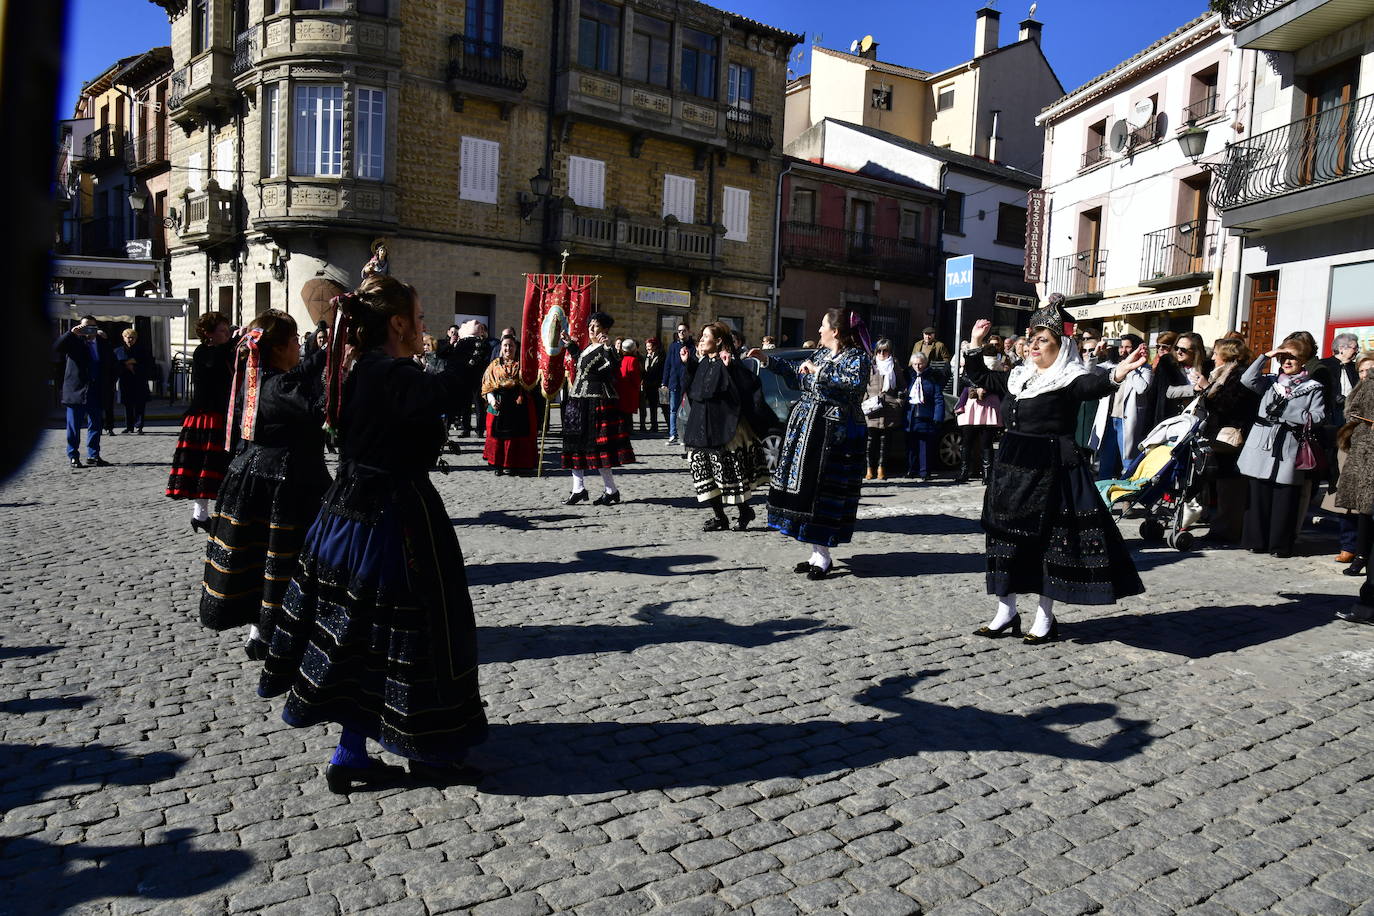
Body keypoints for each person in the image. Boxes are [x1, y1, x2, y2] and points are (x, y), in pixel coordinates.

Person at [259, 274, 488, 792]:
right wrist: (472, 346)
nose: (425, 326)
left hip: (346, 512)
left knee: (356, 631)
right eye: (421, 317)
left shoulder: (352, 366)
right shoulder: (388, 372)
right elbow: (447, 391)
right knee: (419, 630)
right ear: (399, 323)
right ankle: (427, 750)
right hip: (394, 515)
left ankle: (351, 752)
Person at [963, 300, 1149, 643]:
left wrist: (1120, 371)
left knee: (1048, 545)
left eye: (1042, 340)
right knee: (1004, 542)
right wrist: (975, 343)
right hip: (1009, 471)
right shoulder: (1019, 377)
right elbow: (982, 377)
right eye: (1031, 339)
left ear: (1061, 346)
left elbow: (1093, 387)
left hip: (1048, 471)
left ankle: (1045, 618)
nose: (1033, 345)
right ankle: (1006, 611)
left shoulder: (1069, 378)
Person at [200, 310, 329, 661]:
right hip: (282, 485)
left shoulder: (258, 377)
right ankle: (274, 634)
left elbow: (299, 372)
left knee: (261, 560)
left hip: (258, 478)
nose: (297, 349)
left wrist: (325, 354)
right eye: (293, 342)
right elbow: (320, 409)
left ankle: (261, 631)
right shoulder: (276, 386)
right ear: (279, 347)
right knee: (280, 561)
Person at [748, 309, 871, 580]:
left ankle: (824, 556)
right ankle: (817, 553)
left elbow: (854, 384)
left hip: (835, 434)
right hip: (808, 428)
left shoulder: (856, 357)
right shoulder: (821, 354)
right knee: (805, 489)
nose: (818, 331)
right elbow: (797, 373)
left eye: (822, 325)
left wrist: (820, 372)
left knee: (823, 491)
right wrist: (767, 360)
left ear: (835, 331)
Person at [1237, 337, 1326, 558]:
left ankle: (1279, 545)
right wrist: (1265, 356)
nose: (1287, 361)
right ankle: (1255, 541)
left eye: (1292, 357)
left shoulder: (1313, 387)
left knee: (1284, 498)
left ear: (1303, 360)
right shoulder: (1270, 382)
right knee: (1258, 494)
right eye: (1283, 356)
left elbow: (1319, 416)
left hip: (1289, 445)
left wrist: (1287, 413)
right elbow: (1247, 379)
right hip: (1262, 445)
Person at [683, 322, 770, 531]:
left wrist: (730, 367)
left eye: (706, 336)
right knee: (704, 472)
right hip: (700, 426)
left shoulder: (729, 362)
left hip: (722, 426)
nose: (701, 340)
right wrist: (688, 364)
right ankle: (719, 516)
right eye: (701, 336)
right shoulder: (703, 362)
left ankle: (744, 511)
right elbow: (695, 390)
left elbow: (745, 387)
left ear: (719, 341)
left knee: (728, 472)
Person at [167, 312, 234, 530]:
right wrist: (235, 340)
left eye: (227, 330)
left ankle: (202, 515)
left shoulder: (225, 351)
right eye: (222, 331)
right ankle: (201, 513)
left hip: (222, 413)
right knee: (204, 465)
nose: (226, 335)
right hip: (206, 416)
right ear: (209, 334)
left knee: (215, 466)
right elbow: (215, 360)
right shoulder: (203, 352)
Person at [561, 311, 634, 505]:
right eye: (591, 326)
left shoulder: (605, 349)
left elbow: (614, 366)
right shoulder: (588, 348)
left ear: (605, 330)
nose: (592, 329)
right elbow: (580, 360)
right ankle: (578, 489)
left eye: (596, 327)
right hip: (578, 400)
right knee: (574, 444)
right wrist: (569, 344)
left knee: (600, 447)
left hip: (596, 401)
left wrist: (609, 347)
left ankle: (611, 490)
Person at [1196, 337, 1260, 543]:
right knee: (1222, 484)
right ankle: (1222, 526)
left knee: (1231, 485)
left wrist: (1208, 389)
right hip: (1219, 435)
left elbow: (1229, 405)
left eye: (1216, 353)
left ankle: (1228, 529)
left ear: (1227, 354)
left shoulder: (1238, 375)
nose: (1213, 357)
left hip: (1232, 437)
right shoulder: (1225, 373)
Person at [1326, 354, 1374, 577]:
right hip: (1357, 453)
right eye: (1363, 371)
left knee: (1367, 508)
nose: (1366, 375)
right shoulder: (1359, 390)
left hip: (1369, 455)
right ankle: (1356, 551)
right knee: (1358, 508)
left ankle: (1363, 554)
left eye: (1371, 370)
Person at [1088, 334, 1153, 481]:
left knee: (1128, 462)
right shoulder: (1110, 367)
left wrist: (1130, 368)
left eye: (1128, 347)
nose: (1123, 350)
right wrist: (1095, 354)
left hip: (1127, 421)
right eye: (1121, 347)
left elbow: (1142, 388)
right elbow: (1089, 372)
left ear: (1135, 348)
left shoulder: (1145, 369)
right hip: (1109, 420)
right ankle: (1103, 497)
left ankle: (1126, 499)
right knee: (1106, 462)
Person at [54, 316, 114, 468]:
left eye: (92, 327)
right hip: (77, 391)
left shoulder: (102, 342)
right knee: (74, 426)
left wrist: (110, 382)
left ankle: (94, 455)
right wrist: (71, 333)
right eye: (85, 327)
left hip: (97, 390)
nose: (89, 330)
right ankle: (73, 455)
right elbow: (56, 347)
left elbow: (111, 363)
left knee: (96, 424)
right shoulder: (74, 341)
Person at [481, 335, 539, 475]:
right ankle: (498, 465)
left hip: (518, 404)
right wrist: (492, 400)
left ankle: (514, 464)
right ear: (501, 347)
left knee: (517, 436)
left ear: (516, 347)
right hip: (499, 402)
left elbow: (531, 382)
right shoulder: (494, 365)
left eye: (511, 345)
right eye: (505, 345)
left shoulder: (522, 364)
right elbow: (487, 385)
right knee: (497, 435)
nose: (508, 348)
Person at [952, 343, 1004, 483]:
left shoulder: (999, 367)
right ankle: (964, 472)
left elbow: (999, 385)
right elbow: (965, 379)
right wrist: (974, 388)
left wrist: (987, 389)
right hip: (972, 404)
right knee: (967, 441)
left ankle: (987, 474)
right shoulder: (973, 365)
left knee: (986, 442)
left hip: (988, 404)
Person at [864, 338, 904, 481]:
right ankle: (869, 469)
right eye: (879, 351)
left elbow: (901, 385)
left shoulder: (895, 365)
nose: (882, 353)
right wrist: (864, 401)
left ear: (890, 351)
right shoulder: (871, 365)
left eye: (885, 350)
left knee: (885, 442)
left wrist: (899, 401)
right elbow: (864, 385)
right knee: (870, 441)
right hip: (872, 408)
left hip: (889, 408)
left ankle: (881, 469)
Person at [905, 351, 947, 481]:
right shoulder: (908, 377)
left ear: (925, 364)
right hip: (910, 416)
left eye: (920, 364)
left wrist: (937, 417)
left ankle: (924, 471)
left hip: (926, 415)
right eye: (915, 364)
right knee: (911, 445)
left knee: (925, 446)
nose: (918, 367)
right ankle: (912, 469)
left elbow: (938, 399)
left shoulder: (932, 378)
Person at [112, 328, 152, 435]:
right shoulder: (118, 351)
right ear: (123, 338)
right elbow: (115, 365)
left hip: (139, 380)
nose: (130, 340)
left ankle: (139, 426)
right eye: (128, 337)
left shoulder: (142, 350)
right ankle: (129, 426)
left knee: (140, 404)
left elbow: (147, 364)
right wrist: (127, 364)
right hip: (125, 381)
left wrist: (135, 365)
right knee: (127, 405)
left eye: (132, 338)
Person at [662, 323, 695, 444]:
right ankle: (673, 434)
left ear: (688, 331)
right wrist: (664, 381)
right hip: (674, 381)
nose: (681, 333)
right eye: (679, 331)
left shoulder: (693, 346)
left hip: (688, 382)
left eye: (684, 330)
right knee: (673, 410)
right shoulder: (673, 346)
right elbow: (668, 364)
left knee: (687, 410)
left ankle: (684, 435)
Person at [615, 339, 643, 432]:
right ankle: (628, 429)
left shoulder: (620, 359)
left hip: (620, 388)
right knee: (627, 412)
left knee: (623, 411)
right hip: (629, 390)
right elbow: (634, 375)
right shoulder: (633, 360)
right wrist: (637, 385)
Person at [639, 337, 664, 434]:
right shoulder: (646, 357)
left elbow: (658, 371)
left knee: (653, 406)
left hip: (655, 385)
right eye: (646, 346)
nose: (647, 348)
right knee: (644, 406)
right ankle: (643, 424)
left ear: (654, 347)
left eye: (649, 346)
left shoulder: (660, 357)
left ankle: (654, 425)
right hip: (646, 384)